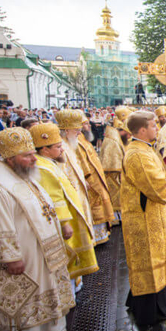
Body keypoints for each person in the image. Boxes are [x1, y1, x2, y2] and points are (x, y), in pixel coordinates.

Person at [0, 127, 74, 331]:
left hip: (42, 255)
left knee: (43, 292)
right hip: (23, 258)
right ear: (9, 159)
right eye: (27, 155)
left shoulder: (27, 177)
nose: (33, 159)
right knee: (26, 299)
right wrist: (11, 258)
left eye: (33, 153)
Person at [121, 111, 166, 326]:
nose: (157, 128)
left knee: (159, 255)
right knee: (149, 259)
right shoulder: (137, 154)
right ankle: (153, 309)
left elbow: (155, 175)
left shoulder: (144, 149)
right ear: (142, 130)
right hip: (145, 220)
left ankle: (164, 301)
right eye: (153, 126)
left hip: (154, 215)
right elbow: (154, 186)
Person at [32, 123, 98, 287]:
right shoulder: (43, 168)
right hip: (64, 223)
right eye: (58, 146)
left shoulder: (48, 163)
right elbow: (54, 199)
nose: (62, 150)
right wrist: (64, 223)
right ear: (45, 149)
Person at [71, 115, 115, 245]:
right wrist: (85, 178)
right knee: (95, 207)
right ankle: (95, 236)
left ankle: (101, 234)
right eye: (84, 124)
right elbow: (80, 162)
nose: (88, 125)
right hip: (89, 179)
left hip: (95, 177)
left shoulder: (84, 139)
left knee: (100, 204)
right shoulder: (76, 142)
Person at [99, 118, 130, 226]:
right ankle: (115, 217)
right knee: (115, 197)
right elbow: (113, 162)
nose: (129, 137)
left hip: (115, 174)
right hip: (113, 175)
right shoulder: (113, 141)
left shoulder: (115, 138)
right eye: (128, 134)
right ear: (123, 131)